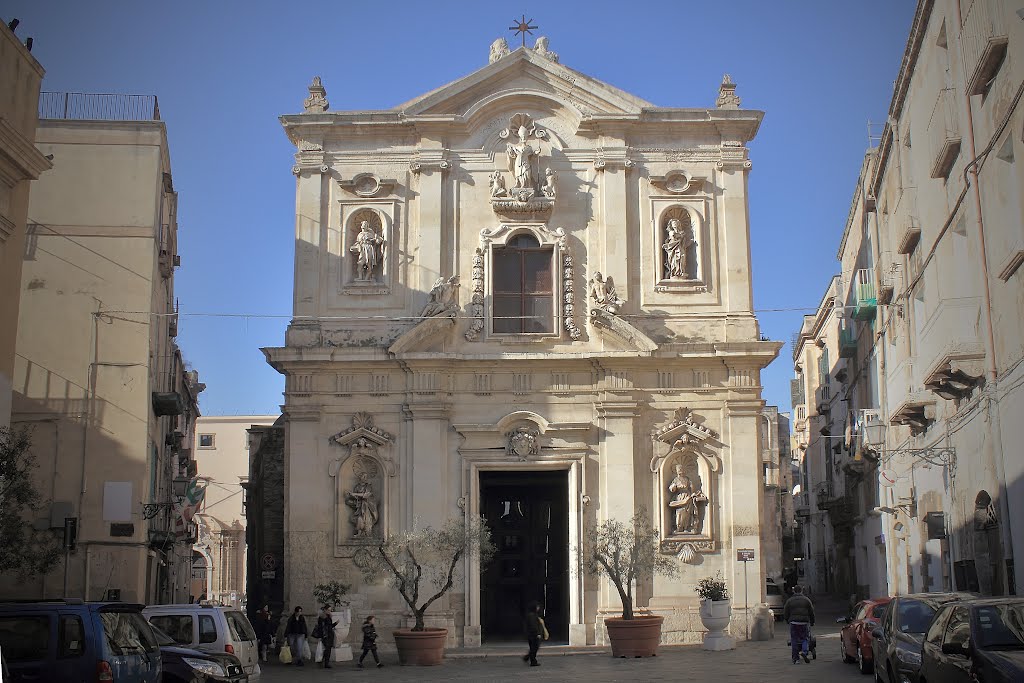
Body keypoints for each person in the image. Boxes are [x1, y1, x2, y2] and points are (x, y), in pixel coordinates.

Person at [783, 585, 815, 664]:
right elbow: (811, 612)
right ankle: (804, 651)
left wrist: (787, 620)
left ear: (794, 591)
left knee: (794, 639)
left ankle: (796, 659)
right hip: (804, 622)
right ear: (801, 591)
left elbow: (786, 611)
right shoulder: (806, 600)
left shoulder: (790, 600)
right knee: (805, 638)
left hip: (793, 623)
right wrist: (812, 621)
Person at [522, 601, 542, 667]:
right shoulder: (532, 616)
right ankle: (531, 660)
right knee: (534, 648)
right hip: (533, 635)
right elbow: (534, 626)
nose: (538, 608)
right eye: (537, 607)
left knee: (533, 648)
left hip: (530, 634)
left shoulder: (531, 615)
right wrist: (538, 633)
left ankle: (528, 658)